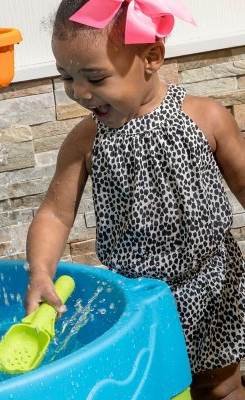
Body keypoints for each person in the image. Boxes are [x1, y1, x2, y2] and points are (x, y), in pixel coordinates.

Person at [24, 0, 245, 399]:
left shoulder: (206, 118)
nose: (79, 92)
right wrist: (40, 270)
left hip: (212, 282)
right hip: (138, 299)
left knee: (221, 385)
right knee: (151, 386)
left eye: (95, 77)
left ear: (151, 57)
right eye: (66, 78)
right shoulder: (85, 141)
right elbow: (55, 214)